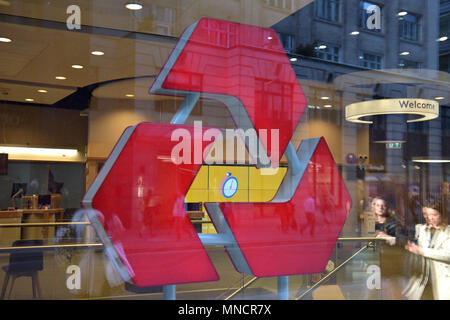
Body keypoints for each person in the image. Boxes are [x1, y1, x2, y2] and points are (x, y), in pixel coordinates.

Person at [403, 200, 450, 300]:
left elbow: (447, 255)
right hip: (424, 280)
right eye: (426, 214)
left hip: (443, 280)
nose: (429, 218)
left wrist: (422, 251)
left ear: (442, 214)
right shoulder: (421, 229)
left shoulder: (448, 231)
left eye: (434, 214)